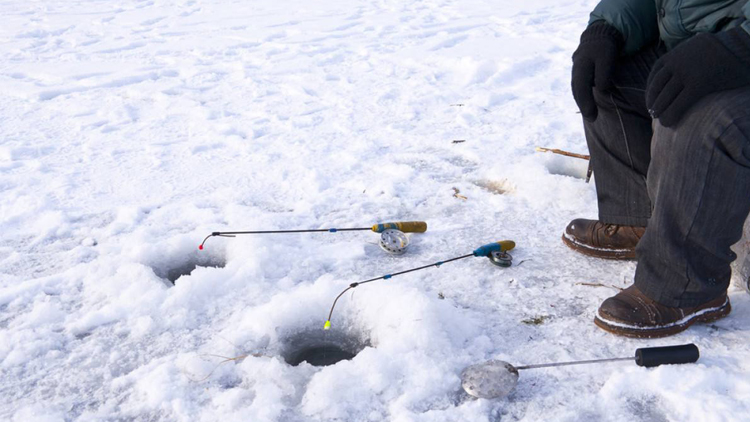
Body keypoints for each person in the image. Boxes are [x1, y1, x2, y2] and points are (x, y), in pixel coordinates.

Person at [565, 0, 750, 337]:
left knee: (700, 116)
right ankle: (640, 220)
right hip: (706, 45)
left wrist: (739, 48)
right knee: (608, 74)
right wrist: (607, 28)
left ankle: (685, 286)